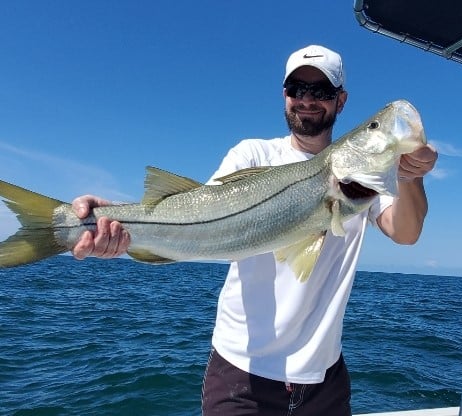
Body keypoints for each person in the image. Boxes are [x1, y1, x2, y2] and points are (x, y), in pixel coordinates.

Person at [71, 45, 438, 415]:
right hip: (241, 375)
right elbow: (197, 213)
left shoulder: (366, 183)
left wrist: (411, 175)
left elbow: (406, 233)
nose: (307, 100)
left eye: (321, 92)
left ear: (340, 101)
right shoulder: (252, 155)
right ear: (285, 95)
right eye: (297, 89)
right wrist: (116, 218)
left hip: (325, 378)